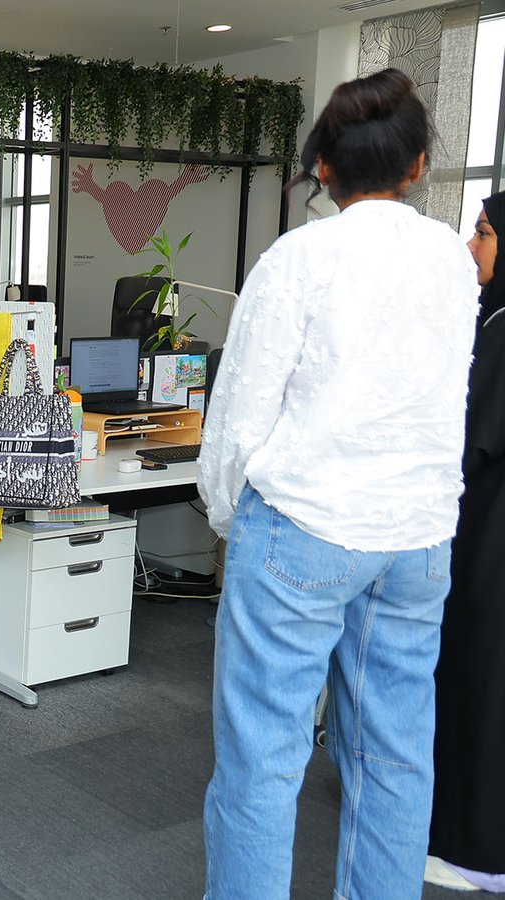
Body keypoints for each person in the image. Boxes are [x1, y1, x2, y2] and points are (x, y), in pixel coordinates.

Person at [198, 68, 478, 899]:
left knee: (263, 760)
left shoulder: (299, 258)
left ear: (322, 166)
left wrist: (228, 514)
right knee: (395, 757)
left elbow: (242, 409)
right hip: (417, 537)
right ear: (419, 165)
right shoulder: (452, 259)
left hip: (303, 527)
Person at [427, 193, 505, 894]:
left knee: (479, 679)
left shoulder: (503, 328)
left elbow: (468, 444)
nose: (472, 246)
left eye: (483, 233)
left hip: (488, 540)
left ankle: (473, 850)